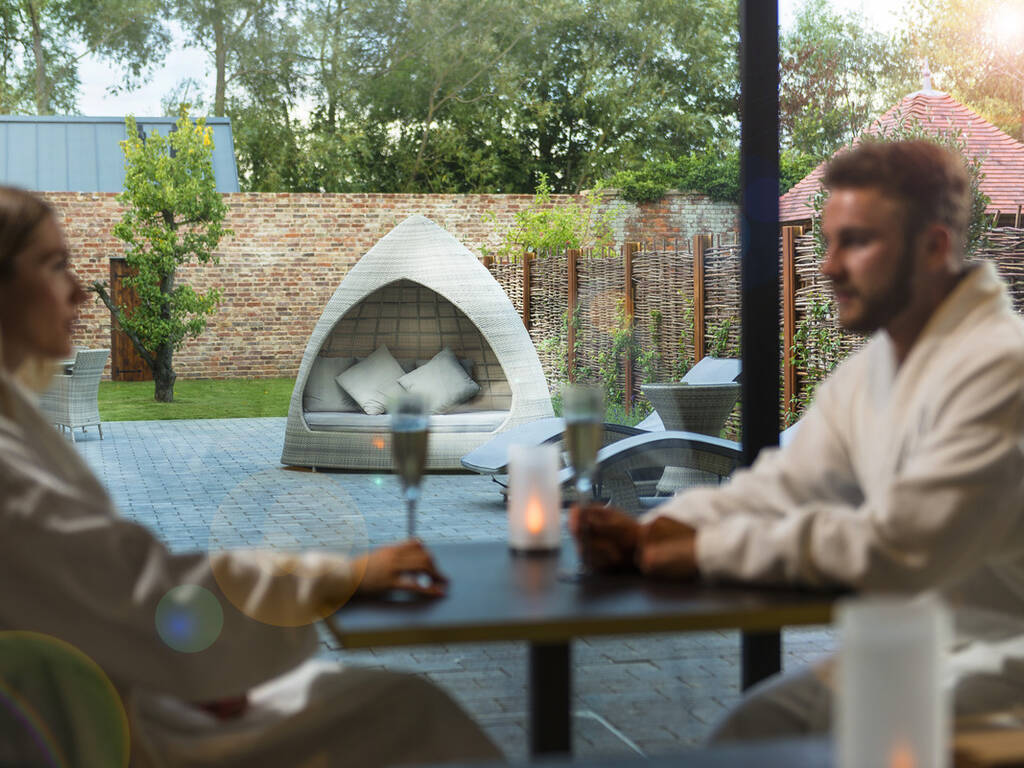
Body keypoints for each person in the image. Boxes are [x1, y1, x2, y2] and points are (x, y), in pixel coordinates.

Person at [0, 185, 501, 766]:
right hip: (113, 740)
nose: (82, 292)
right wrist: (338, 578)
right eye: (55, 264)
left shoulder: (16, 423)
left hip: (122, 699)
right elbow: (144, 594)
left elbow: (89, 610)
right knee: (409, 711)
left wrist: (193, 672)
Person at [573, 139, 1024, 739]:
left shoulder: (999, 369)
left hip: (999, 669)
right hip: (909, 655)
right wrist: (654, 531)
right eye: (828, 242)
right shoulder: (872, 373)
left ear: (933, 249)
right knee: (744, 733)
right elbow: (779, 489)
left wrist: (704, 551)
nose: (828, 266)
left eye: (856, 241)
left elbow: (895, 550)